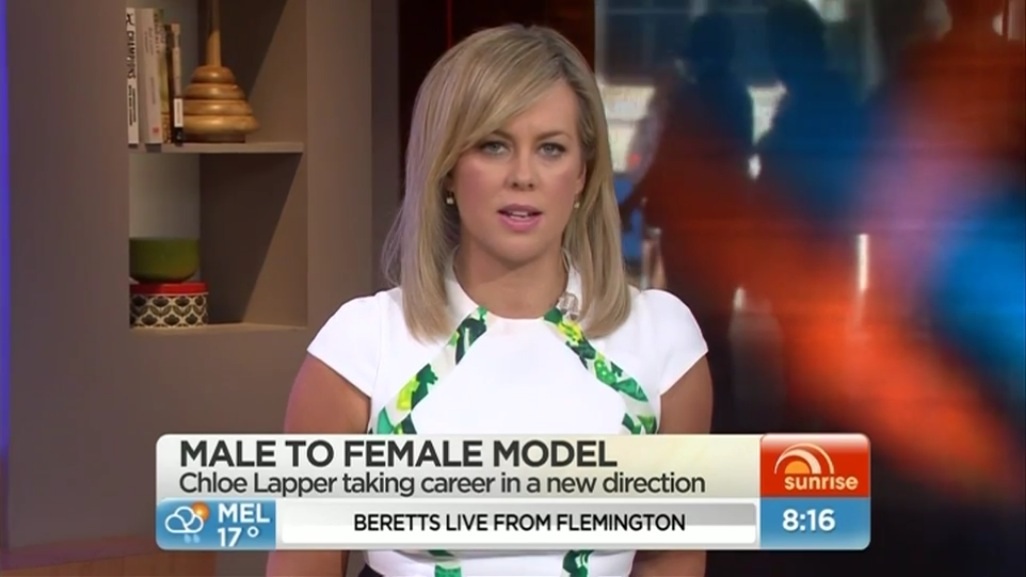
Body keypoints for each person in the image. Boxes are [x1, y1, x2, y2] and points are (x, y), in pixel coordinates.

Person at [266, 24, 712, 577]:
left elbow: (672, 558)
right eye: (493, 146)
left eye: (551, 149)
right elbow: (304, 561)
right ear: (448, 170)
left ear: (582, 175)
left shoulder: (662, 340)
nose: (523, 176)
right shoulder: (360, 346)